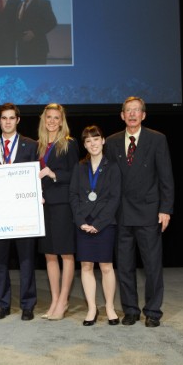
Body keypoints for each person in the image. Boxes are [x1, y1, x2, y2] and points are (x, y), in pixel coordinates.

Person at [104, 96, 175, 328]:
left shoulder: (157, 139)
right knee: (124, 265)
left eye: (136, 110)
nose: (132, 114)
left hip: (149, 212)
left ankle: (153, 311)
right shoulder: (112, 142)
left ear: (143, 115)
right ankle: (131, 310)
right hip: (121, 213)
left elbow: (166, 177)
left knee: (152, 265)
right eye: (128, 110)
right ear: (122, 115)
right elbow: (108, 179)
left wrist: (165, 209)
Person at [0, 103, 38, 321]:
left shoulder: (31, 145)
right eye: (4, 118)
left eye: (11, 118)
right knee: (0, 261)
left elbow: (36, 176)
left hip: (24, 212)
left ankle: (27, 305)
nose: (7, 122)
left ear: (18, 120)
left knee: (26, 260)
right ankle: (2, 304)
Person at [69, 126, 121, 326]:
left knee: (106, 266)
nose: (93, 144)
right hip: (83, 224)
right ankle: (91, 308)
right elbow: (73, 195)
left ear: (103, 140)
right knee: (86, 266)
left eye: (96, 139)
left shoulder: (113, 167)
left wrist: (98, 224)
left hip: (104, 224)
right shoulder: (79, 167)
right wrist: (81, 221)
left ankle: (109, 307)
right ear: (84, 145)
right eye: (88, 141)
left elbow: (114, 199)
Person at [36, 103, 79, 320]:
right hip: (43, 205)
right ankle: (54, 300)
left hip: (63, 205)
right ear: (44, 120)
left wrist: (54, 174)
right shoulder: (38, 145)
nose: (52, 121)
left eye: (56, 118)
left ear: (62, 122)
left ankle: (63, 301)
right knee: (50, 255)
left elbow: (76, 174)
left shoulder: (69, 144)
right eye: (49, 117)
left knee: (66, 253)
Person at [16, 0, 57, 65]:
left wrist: (34, 32)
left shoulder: (43, 2)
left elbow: (52, 22)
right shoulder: (20, 4)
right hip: (22, 48)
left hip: (38, 48)